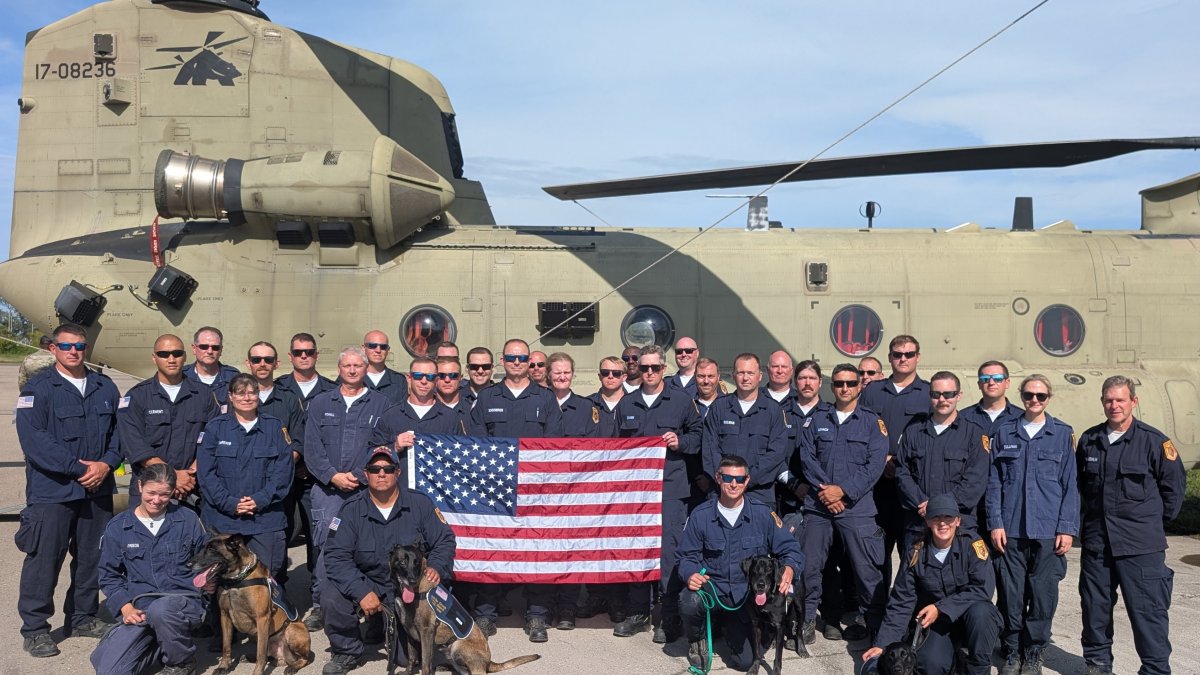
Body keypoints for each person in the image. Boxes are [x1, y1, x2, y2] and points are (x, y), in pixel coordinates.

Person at [15, 323, 121, 657]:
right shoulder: (39, 388)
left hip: (98, 489)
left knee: (92, 558)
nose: (74, 352)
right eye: (67, 346)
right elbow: (35, 441)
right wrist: (80, 469)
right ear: (53, 349)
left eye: (79, 346)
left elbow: (120, 434)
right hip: (53, 492)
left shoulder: (105, 387)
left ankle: (82, 617)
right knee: (45, 560)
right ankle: (35, 629)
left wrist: (106, 464)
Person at [1076, 376, 1186, 675]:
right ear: (1102, 402)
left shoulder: (1154, 441)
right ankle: (1098, 665)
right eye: (1109, 400)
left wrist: (1147, 525)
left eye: (1120, 400)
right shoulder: (1089, 440)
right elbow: (1080, 490)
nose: (1114, 405)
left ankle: (1154, 669)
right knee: (1095, 611)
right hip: (1098, 544)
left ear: (1133, 402)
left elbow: (1173, 492)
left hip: (1141, 547)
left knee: (1148, 613)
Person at [321, 447, 455, 674]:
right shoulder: (351, 510)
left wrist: (436, 566)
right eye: (374, 469)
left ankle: (381, 624)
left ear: (398, 472)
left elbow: (445, 540)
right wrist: (361, 591)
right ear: (366, 474)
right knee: (331, 595)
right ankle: (346, 650)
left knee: (406, 661)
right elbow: (336, 555)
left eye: (388, 468)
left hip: (408, 588)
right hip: (370, 583)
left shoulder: (419, 504)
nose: (381, 474)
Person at [468, 338, 563, 642]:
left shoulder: (545, 398)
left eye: (523, 358)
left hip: (535, 492)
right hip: (495, 491)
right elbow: (478, 446)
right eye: (511, 357)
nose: (518, 363)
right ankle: (486, 613)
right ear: (502, 360)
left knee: (537, 552)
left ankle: (536, 614)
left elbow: (554, 445)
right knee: (492, 551)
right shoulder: (486, 398)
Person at [986, 374, 1078, 675]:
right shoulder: (1005, 432)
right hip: (1010, 529)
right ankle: (1011, 650)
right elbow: (994, 483)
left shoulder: (1062, 434)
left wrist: (1067, 527)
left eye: (1040, 396)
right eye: (1029, 395)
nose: (1034, 401)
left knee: (1043, 595)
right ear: (1021, 396)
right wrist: (995, 523)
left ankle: (1034, 651)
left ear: (1048, 398)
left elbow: (1070, 485)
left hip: (1049, 531)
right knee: (1011, 595)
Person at [676, 455, 803, 672]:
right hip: (714, 591)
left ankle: (726, 628)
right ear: (718, 478)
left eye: (739, 479)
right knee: (689, 600)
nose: (733, 484)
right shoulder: (701, 515)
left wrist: (790, 567)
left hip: (746, 598)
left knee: (745, 662)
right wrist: (690, 574)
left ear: (747, 480)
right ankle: (698, 640)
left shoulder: (763, 514)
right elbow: (685, 557)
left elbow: (790, 548)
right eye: (727, 477)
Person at [613, 344, 704, 644]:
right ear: (637, 368)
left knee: (669, 553)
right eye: (644, 367)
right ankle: (638, 612)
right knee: (637, 551)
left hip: (670, 488)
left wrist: (680, 442)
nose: (649, 373)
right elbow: (617, 447)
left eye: (655, 368)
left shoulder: (680, 401)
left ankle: (668, 615)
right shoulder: (627, 404)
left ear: (664, 369)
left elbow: (698, 435)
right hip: (636, 492)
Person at [302, 346, 392, 632]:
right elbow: (312, 448)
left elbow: (383, 446)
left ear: (366, 369)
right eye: (346, 366)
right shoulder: (319, 403)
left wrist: (359, 475)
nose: (352, 370)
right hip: (328, 492)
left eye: (358, 366)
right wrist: (332, 476)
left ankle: (374, 606)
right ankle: (321, 605)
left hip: (366, 489)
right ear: (339, 369)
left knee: (370, 548)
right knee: (327, 548)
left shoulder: (381, 404)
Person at [797, 363, 888, 644]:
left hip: (856, 506)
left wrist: (844, 492)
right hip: (818, 506)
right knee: (810, 566)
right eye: (839, 384)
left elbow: (875, 465)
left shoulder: (873, 422)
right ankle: (807, 619)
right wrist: (827, 492)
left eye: (850, 383)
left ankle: (874, 624)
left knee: (866, 569)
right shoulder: (816, 418)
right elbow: (807, 457)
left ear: (860, 385)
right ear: (832, 386)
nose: (845, 388)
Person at [861, 494, 1001, 675]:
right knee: (929, 665)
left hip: (971, 620)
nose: (942, 523)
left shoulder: (973, 545)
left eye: (948, 517)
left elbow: (982, 589)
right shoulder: (916, 552)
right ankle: (951, 657)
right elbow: (901, 601)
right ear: (927, 521)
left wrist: (940, 608)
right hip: (938, 624)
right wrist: (884, 645)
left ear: (957, 521)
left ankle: (978, 670)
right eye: (936, 517)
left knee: (983, 612)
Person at [90, 464, 209, 675]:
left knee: (162, 610)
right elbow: (109, 576)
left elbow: (205, 563)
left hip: (183, 601)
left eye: (164, 494)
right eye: (151, 493)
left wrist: (206, 588)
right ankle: (160, 644)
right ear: (139, 486)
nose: (156, 500)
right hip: (140, 607)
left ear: (172, 492)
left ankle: (181, 662)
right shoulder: (119, 527)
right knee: (110, 669)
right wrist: (125, 607)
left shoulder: (187, 519)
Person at [196, 373, 293, 578]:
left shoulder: (274, 427)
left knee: (269, 577)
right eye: (240, 393)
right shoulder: (215, 428)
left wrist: (259, 500)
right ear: (230, 396)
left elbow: (283, 472)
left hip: (265, 518)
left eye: (252, 393)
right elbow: (206, 474)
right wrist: (231, 503)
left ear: (258, 395)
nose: (247, 398)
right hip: (224, 519)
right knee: (220, 579)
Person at [546, 352, 616, 630]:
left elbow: (598, 451)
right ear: (549, 375)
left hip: (577, 492)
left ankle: (566, 608)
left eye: (566, 373)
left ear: (572, 375)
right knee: (546, 549)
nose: (562, 377)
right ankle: (542, 606)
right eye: (557, 372)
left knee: (572, 550)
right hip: (545, 492)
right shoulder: (539, 403)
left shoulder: (588, 409)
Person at [118, 334, 219, 508]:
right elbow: (134, 443)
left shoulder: (204, 395)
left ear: (185, 356)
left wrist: (190, 475)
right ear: (154, 358)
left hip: (192, 488)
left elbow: (214, 436)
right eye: (164, 354)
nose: (171, 359)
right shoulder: (137, 397)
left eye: (177, 353)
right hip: (151, 489)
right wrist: (172, 476)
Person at [861, 335, 929, 588]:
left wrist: (897, 461)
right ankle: (874, 617)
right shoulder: (873, 391)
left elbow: (930, 439)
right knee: (875, 557)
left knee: (913, 555)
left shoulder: (928, 394)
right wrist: (882, 460)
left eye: (908, 354)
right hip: (876, 489)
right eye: (897, 354)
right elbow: (861, 432)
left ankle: (909, 616)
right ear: (890, 357)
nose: (903, 359)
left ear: (917, 357)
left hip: (911, 490)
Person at [275, 332, 336, 615]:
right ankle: (278, 597)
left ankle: (318, 600)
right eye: (298, 352)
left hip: (317, 479)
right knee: (280, 535)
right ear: (290, 356)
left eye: (309, 352)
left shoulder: (330, 390)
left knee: (319, 539)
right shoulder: (279, 390)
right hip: (285, 478)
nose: (303, 356)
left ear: (316, 355)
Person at [893, 372, 988, 550]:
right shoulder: (913, 432)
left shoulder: (974, 434)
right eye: (936, 394)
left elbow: (975, 480)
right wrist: (923, 505)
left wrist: (938, 508)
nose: (942, 399)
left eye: (948, 394)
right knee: (914, 575)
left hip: (958, 526)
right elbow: (902, 473)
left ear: (959, 395)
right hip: (918, 523)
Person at [701, 353, 788, 506]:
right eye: (741, 373)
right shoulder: (719, 407)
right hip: (722, 491)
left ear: (760, 376)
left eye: (750, 373)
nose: (745, 378)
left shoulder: (772, 410)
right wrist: (727, 479)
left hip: (760, 493)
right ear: (734, 375)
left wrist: (745, 479)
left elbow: (776, 453)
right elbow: (710, 449)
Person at [372, 357, 468, 456]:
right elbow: (371, 454)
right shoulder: (390, 416)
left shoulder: (450, 418)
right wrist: (395, 447)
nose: (423, 381)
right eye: (418, 376)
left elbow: (461, 455)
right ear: (409, 378)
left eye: (429, 377)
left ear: (436, 380)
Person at [182, 326, 240, 403]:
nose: (210, 351)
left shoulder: (233, 377)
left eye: (215, 347)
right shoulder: (182, 376)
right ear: (194, 349)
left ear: (221, 350)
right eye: (204, 346)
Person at [361, 330, 408, 404]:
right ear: (364, 348)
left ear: (388, 350)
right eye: (373, 346)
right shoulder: (352, 378)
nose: (378, 350)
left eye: (383, 347)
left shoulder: (398, 381)